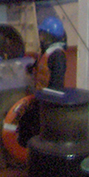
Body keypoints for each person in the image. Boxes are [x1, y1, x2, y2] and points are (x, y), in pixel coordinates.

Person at [17, 14, 68, 147]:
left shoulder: (57, 56)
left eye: (43, 35)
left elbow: (56, 82)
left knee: (32, 124)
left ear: (50, 37)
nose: (41, 38)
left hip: (49, 103)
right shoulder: (47, 52)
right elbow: (41, 65)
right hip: (41, 98)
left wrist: (48, 100)